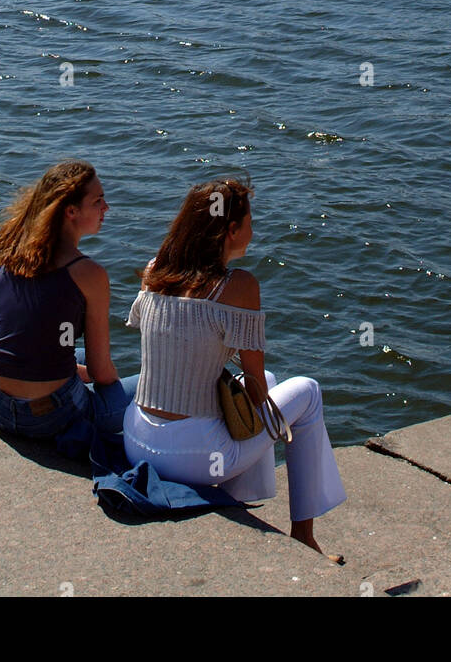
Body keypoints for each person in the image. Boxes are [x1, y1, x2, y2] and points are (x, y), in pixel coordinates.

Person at [123, 178, 346, 557]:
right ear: (230, 230)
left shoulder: (156, 270)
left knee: (272, 383)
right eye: (249, 222)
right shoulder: (239, 286)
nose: (253, 232)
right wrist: (277, 429)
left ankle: (242, 500)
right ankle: (304, 535)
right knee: (305, 391)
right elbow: (257, 385)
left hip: (138, 441)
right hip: (195, 459)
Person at [0, 159, 137, 443]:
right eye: (98, 201)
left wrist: (83, 372)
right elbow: (103, 373)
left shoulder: (13, 252)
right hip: (49, 419)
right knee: (150, 389)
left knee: (75, 355)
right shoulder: (88, 273)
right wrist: (108, 390)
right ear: (71, 211)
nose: (106, 208)